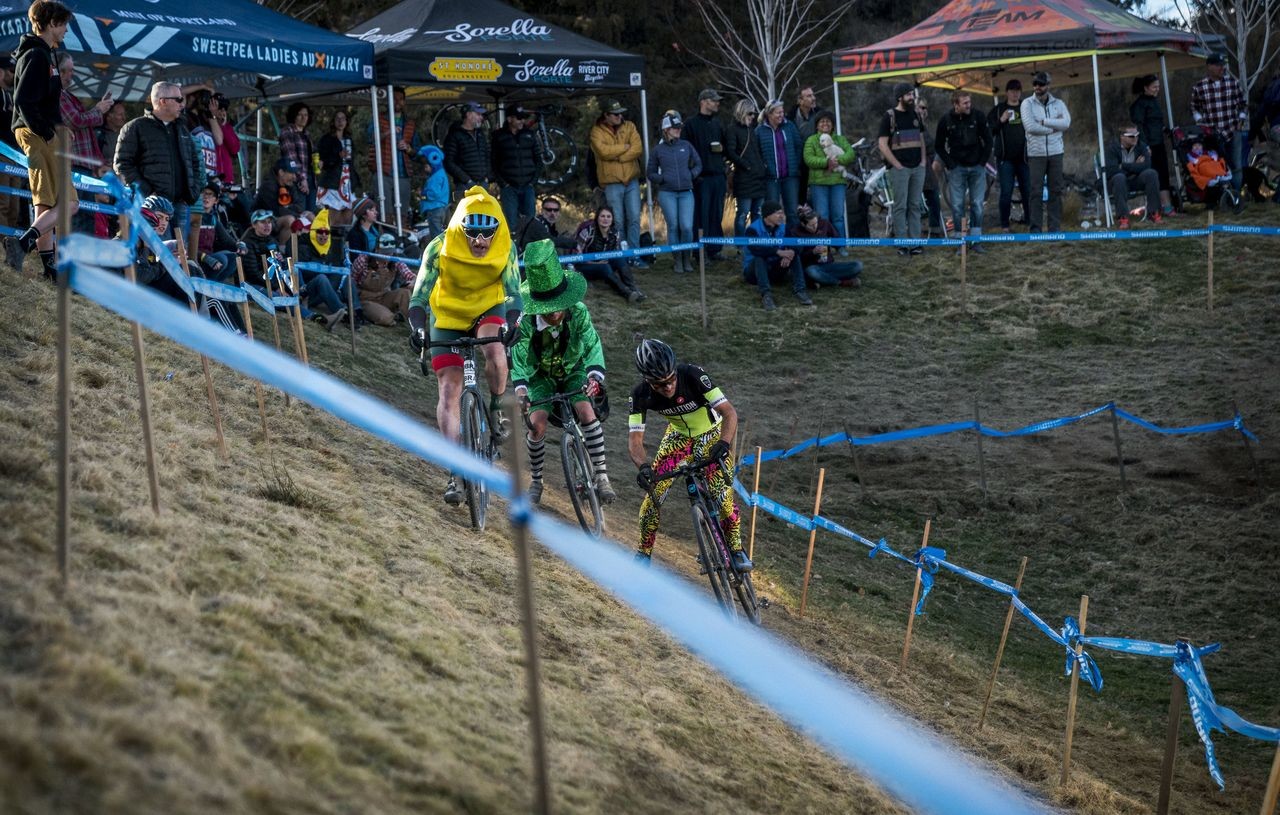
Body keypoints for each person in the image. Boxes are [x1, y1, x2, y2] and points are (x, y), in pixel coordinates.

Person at [407, 185, 523, 505]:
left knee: (497, 353)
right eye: (472, 233)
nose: (481, 242)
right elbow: (418, 297)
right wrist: (418, 329)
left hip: (488, 309)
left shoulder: (506, 248)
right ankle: (454, 470)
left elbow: (514, 295)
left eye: (487, 234)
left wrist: (513, 324)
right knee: (448, 390)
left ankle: (498, 408)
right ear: (461, 228)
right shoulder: (439, 247)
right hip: (447, 317)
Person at [628, 338, 750, 572]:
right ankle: (643, 554)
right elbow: (635, 440)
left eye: (671, 379)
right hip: (678, 438)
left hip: (712, 434)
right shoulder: (639, 394)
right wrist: (643, 466)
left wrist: (724, 443)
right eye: (659, 384)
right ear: (646, 380)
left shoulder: (693, 374)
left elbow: (729, 412)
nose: (668, 387)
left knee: (721, 495)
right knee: (652, 497)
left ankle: (736, 549)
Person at [512, 239, 616, 505]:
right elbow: (519, 354)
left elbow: (592, 342)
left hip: (574, 370)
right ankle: (537, 480)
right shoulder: (526, 323)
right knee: (536, 425)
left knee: (586, 411)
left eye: (559, 304)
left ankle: (602, 476)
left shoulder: (578, 312)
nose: (555, 312)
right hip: (539, 377)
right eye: (548, 308)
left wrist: (594, 377)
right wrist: (521, 390)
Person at [12, 0, 78, 279]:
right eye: (63, 24)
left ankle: (49, 268)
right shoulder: (37, 56)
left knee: (46, 202)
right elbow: (23, 100)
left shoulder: (43, 53)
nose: (65, 30)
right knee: (70, 202)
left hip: (35, 131)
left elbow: (40, 102)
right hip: (37, 133)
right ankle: (23, 243)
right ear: (51, 23)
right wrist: (50, 132)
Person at [114, 81, 204, 240]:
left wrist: (192, 192)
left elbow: (195, 163)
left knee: (177, 257)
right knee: (158, 255)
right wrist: (149, 193)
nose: (182, 104)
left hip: (180, 205)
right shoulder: (136, 127)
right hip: (154, 207)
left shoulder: (182, 128)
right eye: (178, 99)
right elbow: (122, 164)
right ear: (163, 101)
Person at [589, 99, 646, 266]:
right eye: (615, 114)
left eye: (621, 113)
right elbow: (603, 152)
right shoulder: (596, 131)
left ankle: (634, 255)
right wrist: (624, 147)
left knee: (634, 218)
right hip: (611, 183)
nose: (619, 116)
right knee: (618, 220)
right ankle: (620, 255)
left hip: (631, 181)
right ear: (606, 115)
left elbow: (637, 148)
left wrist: (618, 156)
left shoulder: (629, 126)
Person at [935, 90, 993, 251]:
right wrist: (950, 164)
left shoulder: (978, 116)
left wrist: (982, 162)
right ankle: (960, 242)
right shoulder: (945, 120)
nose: (969, 105)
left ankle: (975, 241)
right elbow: (938, 146)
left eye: (969, 102)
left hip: (977, 168)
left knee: (977, 204)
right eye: (965, 103)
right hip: (957, 169)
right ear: (956, 105)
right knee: (957, 205)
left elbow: (988, 140)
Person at [647, 111, 700, 274]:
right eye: (675, 127)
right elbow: (650, 172)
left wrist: (691, 175)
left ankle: (686, 258)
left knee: (686, 227)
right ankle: (677, 259)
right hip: (667, 193)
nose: (678, 130)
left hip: (686, 192)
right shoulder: (658, 150)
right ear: (666, 129)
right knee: (673, 226)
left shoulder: (686, 145)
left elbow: (698, 164)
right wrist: (662, 179)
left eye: (679, 127)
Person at [877, 82, 926, 254]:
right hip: (900, 169)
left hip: (917, 167)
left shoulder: (916, 115)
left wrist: (923, 161)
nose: (912, 97)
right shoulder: (889, 116)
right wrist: (896, 165)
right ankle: (902, 244)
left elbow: (921, 139)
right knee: (900, 206)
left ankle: (915, 243)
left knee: (915, 205)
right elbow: (882, 144)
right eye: (908, 95)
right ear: (900, 97)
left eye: (912, 94)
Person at [1191, 54, 1248, 195]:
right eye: (1218, 65)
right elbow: (1194, 107)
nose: (1222, 68)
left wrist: (1241, 120)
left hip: (1233, 130)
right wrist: (1200, 122)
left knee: (1236, 165)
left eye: (1223, 65)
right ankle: (1221, 195)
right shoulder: (1199, 87)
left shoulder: (1232, 83)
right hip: (1212, 134)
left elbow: (1243, 104)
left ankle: (1236, 195)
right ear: (1209, 66)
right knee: (1216, 165)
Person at [1021, 72, 1070, 233]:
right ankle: (1035, 229)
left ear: (1048, 85)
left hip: (1056, 152)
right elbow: (1030, 127)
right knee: (1036, 191)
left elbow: (1066, 123)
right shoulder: (1027, 103)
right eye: (1035, 84)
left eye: (1041, 84)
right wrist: (1054, 129)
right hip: (1036, 154)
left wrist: (1046, 122)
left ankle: (1054, 228)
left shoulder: (1059, 103)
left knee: (1055, 190)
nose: (1037, 87)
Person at [684, 88, 728, 262]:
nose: (717, 103)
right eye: (714, 100)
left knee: (717, 214)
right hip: (701, 178)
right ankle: (700, 251)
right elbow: (685, 151)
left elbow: (725, 147)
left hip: (718, 175)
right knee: (701, 216)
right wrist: (694, 174)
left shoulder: (718, 123)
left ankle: (714, 249)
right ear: (703, 101)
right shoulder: (691, 124)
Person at [743, 200, 811, 311]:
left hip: (775, 269)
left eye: (782, 213)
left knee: (795, 256)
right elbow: (756, 249)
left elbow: (797, 244)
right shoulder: (752, 229)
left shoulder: (784, 228)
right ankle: (766, 295)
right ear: (767, 215)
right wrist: (779, 252)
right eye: (778, 213)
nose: (781, 216)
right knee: (760, 257)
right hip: (753, 272)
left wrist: (790, 253)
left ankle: (800, 290)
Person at [572, 205, 645, 303]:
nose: (605, 219)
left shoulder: (615, 233)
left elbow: (615, 254)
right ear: (597, 218)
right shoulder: (588, 231)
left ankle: (634, 289)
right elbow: (575, 257)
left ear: (612, 219)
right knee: (604, 267)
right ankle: (626, 293)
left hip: (605, 264)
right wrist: (595, 263)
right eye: (602, 216)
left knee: (620, 259)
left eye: (608, 216)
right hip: (585, 266)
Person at [802, 110, 853, 244]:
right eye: (822, 121)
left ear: (833, 125)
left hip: (837, 182)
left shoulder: (840, 139)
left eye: (828, 121)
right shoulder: (811, 140)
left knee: (838, 216)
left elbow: (850, 154)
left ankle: (839, 245)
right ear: (817, 125)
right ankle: (823, 246)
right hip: (818, 183)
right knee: (822, 216)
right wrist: (826, 162)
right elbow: (808, 159)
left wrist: (838, 161)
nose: (825, 124)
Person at [367, 87, 417, 219]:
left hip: (403, 174)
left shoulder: (410, 123)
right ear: (388, 100)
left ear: (404, 102)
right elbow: (370, 138)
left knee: (402, 215)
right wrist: (388, 132)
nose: (397, 102)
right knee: (384, 213)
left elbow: (417, 152)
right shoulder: (378, 118)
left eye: (400, 99)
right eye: (394, 98)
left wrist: (408, 148)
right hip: (383, 173)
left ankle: (400, 238)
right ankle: (387, 239)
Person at [57, 55, 111, 174]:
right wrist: (98, 110)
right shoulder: (57, 94)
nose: (72, 74)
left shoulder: (65, 94)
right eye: (70, 70)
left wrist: (99, 108)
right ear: (60, 72)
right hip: (74, 163)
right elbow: (75, 120)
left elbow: (79, 119)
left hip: (81, 162)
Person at [1129, 75, 1175, 217]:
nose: (1157, 89)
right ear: (1145, 88)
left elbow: (1156, 122)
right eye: (1154, 86)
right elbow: (1139, 126)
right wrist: (1145, 146)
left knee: (1163, 175)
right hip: (1149, 146)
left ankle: (1167, 207)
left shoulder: (1154, 101)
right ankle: (1157, 208)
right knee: (1154, 176)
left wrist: (1166, 130)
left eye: (1158, 86)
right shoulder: (1139, 105)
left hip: (1159, 143)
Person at [988, 79, 1030, 231]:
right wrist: (1001, 120)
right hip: (1005, 159)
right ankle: (1005, 225)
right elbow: (989, 130)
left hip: (1024, 158)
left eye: (1018, 91)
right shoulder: (999, 109)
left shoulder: (1026, 107)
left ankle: (1029, 222)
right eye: (1012, 91)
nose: (1015, 94)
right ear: (1007, 93)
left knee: (1027, 191)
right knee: (1006, 192)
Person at [0, 54, 29, 270]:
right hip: (1, 155)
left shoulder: (10, 96)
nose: (12, 76)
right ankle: (4, 245)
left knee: (13, 205)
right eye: (9, 72)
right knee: (2, 202)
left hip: (14, 156)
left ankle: (10, 248)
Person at [790, 204, 862, 288]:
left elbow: (837, 240)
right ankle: (841, 282)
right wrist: (813, 252)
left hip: (828, 263)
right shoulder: (795, 232)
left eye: (816, 223)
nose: (815, 226)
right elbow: (797, 256)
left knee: (857, 266)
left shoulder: (824, 223)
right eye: (811, 225)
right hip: (811, 266)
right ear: (803, 224)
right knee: (812, 272)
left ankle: (819, 280)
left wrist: (832, 244)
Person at [491, 103, 539, 229]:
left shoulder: (530, 134)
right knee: (511, 224)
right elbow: (493, 161)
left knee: (530, 223)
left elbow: (538, 159)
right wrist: (503, 183)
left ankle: (530, 248)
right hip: (509, 187)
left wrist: (533, 181)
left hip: (528, 185)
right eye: (518, 118)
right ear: (509, 119)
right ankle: (514, 248)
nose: (521, 121)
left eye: (523, 118)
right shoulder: (498, 136)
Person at [1103, 126, 1162, 228]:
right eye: (1131, 136)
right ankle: (1123, 218)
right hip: (1117, 183)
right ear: (1122, 137)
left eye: (1137, 135)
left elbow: (1147, 165)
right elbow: (1111, 171)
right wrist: (1136, 165)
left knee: (1151, 173)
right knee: (1119, 178)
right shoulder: (1111, 149)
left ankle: (1153, 213)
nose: (1135, 138)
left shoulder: (1141, 146)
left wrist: (1124, 165)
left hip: (1135, 180)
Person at [353, 232, 415, 326]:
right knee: (386, 319)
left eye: (391, 252)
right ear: (377, 250)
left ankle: (415, 324)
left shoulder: (395, 260)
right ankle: (390, 315)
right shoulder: (363, 260)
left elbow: (409, 274)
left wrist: (413, 281)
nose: (389, 255)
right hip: (366, 300)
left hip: (384, 296)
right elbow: (350, 281)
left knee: (405, 293)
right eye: (386, 252)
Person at [725, 99, 767, 237]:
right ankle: (741, 245)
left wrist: (761, 167)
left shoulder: (752, 130)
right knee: (743, 214)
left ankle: (756, 243)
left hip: (758, 177)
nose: (753, 116)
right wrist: (746, 165)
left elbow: (757, 151)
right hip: (743, 178)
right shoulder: (732, 130)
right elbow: (730, 152)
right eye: (750, 113)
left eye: (753, 113)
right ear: (741, 112)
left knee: (758, 214)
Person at [757, 99, 802, 221]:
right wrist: (765, 167)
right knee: (772, 213)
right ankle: (773, 238)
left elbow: (798, 145)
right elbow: (757, 153)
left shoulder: (789, 126)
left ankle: (792, 239)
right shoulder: (760, 130)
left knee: (792, 212)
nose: (781, 115)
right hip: (771, 178)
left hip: (790, 177)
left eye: (782, 112)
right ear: (769, 114)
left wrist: (795, 164)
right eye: (778, 113)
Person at [253, 158, 311, 245]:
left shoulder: (290, 185)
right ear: (281, 172)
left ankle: (307, 251)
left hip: (286, 214)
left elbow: (300, 207)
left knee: (310, 216)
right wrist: (295, 214)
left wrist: (289, 209)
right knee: (289, 220)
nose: (294, 177)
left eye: (295, 173)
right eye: (291, 173)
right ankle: (282, 251)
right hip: (266, 220)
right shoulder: (268, 186)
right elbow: (276, 211)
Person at [317, 109, 360, 222]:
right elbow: (322, 161)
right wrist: (337, 156)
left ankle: (344, 238)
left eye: (343, 119)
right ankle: (334, 237)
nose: (340, 121)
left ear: (347, 122)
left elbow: (352, 160)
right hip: (333, 180)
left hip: (347, 179)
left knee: (348, 212)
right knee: (334, 214)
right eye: (338, 119)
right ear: (333, 121)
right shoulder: (326, 139)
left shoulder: (349, 139)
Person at [444, 102, 491, 195]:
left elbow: (487, 156)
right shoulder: (454, 135)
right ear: (468, 115)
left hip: (482, 184)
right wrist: (467, 181)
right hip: (464, 186)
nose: (481, 117)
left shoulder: (480, 134)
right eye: (478, 114)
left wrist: (487, 178)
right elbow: (449, 162)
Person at [195, 182, 240, 280]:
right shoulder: (192, 216)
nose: (206, 197)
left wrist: (239, 245)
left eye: (210, 194)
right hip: (195, 258)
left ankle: (215, 287)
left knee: (233, 258)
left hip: (209, 259)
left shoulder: (213, 219)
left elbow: (227, 240)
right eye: (203, 193)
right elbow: (185, 244)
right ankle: (205, 290)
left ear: (216, 200)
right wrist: (204, 257)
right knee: (222, 259)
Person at [278, 102, 317, 214]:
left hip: (311, 178)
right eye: (300, 114)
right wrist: (302, 178)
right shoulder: (287, 131)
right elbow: (291, 158)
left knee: (311, 214)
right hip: (296, 178)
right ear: (293, 115)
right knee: (300, 213)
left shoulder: (307, 134)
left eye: (306, 115)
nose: (303, 117)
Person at [1185, 137, 1239, 211]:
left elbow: (1214, 158)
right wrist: (1201, 159)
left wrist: (1212, 157)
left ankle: (1221, 174)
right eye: (1195, 146)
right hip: (1202, 167)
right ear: (1191, 148)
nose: (1197, 147)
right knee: (1205, 167)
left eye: (1199, 145)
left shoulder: (1208, 152)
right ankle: (1216, 176)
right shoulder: (1191, 155)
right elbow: (1194, 163)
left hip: (1211, 163)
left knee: (1217, 164)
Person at [790, 86, 819, 205]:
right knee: (799, 200)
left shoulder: (820, 114)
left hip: (817, 162)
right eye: (809, 96)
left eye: (813, 95)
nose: (813, 98)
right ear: (800, 100)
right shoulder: (790, 118)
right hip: (798, 164)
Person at [414, 144, 449, 238]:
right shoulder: (440, 174)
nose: (425, 168)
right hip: (441, 208)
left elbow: (433, 194)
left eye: (426, 166)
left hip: (435, 209)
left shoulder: (436, 177)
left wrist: (422, 195)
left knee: (436, 236)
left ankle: (438, 252)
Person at [208, 91, 239, 187]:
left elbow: (235, 149)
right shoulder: (206, 125)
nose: (222, 112)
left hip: (227, 179)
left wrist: (224, 126)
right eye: (219, 108)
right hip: (212, 179)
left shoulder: (227, 127)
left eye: (224, 109)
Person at [96, 100, 126, 168]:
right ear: (109, 116)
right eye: (120, 115)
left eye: (124, 114)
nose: (124, 118)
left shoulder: (127, 134)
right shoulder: (99, 135)